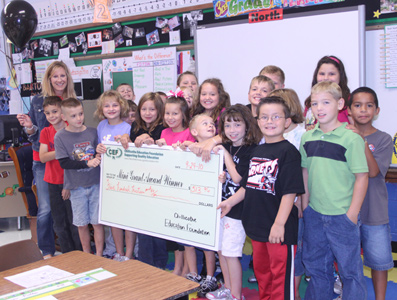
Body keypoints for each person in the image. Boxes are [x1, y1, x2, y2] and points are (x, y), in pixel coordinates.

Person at [218, 96, 304, 300]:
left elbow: (290, 192)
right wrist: (229, 202)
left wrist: (279, 224)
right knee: (264, 276)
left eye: (276, 117)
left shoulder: (289, 152)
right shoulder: (258, 150)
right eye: (264, 117)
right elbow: (249, 186)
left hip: (279, 230)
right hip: (257, 227)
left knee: (280, 280)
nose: (269, 121)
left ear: (287, 122)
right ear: (257, 122)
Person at [300, 81, 368, 300]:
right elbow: (305, 173)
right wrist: (305, 205)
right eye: (315, 103)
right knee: (317, 268)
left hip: (342, 216)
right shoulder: (307, 137)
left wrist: (352, 214)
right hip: (315, 214)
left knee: (350, 271)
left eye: (326, 102)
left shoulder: (351, 138)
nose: (319, 108)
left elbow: (362, 177)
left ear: (339, 104)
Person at [17, 61, 77, 258]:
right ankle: (47, 252)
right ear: (49, 79)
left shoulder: (73, 99)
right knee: (45, 209)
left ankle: (75, 250)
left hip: (68, 163)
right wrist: (29, 127)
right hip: (44, 161)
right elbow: (35, 136)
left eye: (63, 75)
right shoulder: (38, 101)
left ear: (67, 78)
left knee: (71, 208)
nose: (59, 79)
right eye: (55, 76)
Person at [206, 105, 261, 300]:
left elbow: (238, 178)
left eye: (237, 124)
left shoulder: (251, 150)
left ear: (247, 126)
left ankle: (236, 295)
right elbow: (227, 175)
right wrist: (221, 176)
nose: (232, 130)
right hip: (221, 207)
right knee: (221, 249)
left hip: (238, 212)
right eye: (227, 125)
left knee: (231, 253)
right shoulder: (228, 145)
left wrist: (226, 155)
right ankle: (227, 289)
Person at [347, 87, 394, 300]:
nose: (363, 110)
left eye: (369, 105)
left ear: (377, 110)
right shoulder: (343, 136)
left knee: (379, 261)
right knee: (348, 260)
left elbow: (374, 172)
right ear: (349, 110)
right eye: (357, 105)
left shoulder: (383, 139)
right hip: (347, 209)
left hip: (374, 211)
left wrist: (362, 142)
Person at [120, 92, 168, 269]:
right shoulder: (134, 127)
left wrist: (150, 141)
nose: (147, 113)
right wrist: (125, 138)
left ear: (159, 110)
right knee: (143, 227)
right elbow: (129, 144)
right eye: (144, 109)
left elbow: (164, 146)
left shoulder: (163, 127)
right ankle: (145, 263)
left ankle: (160, 264)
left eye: (152, 109)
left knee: (158, 228)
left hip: (159, 184)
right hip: (140, 184)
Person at [176, 114, 219, 297]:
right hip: (190, 201)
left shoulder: (218, 148)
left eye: (212, 123)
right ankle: (193, 275)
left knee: (207, 243)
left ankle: (210, 277)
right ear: (194, 132)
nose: (210, 125)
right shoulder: (188, 147)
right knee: (189, 242)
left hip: (209, 203)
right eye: (205, 123)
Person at [54, 98, 104, 256]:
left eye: (80, 114)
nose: (79, 118)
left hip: (95, 184)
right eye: (74, 115)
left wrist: (99, 153)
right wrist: (87, 163)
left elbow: (98, 154)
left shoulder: (92, 131)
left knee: (97, 223)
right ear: (64, 117)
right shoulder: (60, 136)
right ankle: (87, 255)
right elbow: (64, 163)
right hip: (77, 188)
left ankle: (99, 255)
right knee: (81, 224)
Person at [269, 88, 306, 299]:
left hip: (293, 199)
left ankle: (294, 290)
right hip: (274, 201)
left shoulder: (300, 135)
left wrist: (300, 200)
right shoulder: (269, 135)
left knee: (295, 247)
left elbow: (301, 171)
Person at [156, 94, 195, 276]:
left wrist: (186, 148)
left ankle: (187, 269)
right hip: (168, 188)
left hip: (184, 190)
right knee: (172, 234)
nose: (170, 117)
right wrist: (159, 147)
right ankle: (178, 266)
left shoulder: (189, 133)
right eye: (167, 113)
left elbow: (194, 158)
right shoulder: (164, 133)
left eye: (175, 114)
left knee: (184, 236)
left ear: (184, 115)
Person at [95, 90, 136, 262]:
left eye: (115, 105)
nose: (111, 108)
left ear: (122, 106)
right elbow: (99, 149)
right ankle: (118, 252)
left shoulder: (128, 128)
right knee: (114, 219)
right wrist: (98, 152)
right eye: (107, 105)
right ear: (101, 109)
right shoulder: (100, 126)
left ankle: (129, 254)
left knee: (127, 219)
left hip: (125, 179)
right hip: (107, 179)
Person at [39, 96, 81, 253]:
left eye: (55, 111)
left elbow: (76, 157)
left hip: (71, 182)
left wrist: (68, 185)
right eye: (47, 113)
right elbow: (43, 157)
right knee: (59, 223)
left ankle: (80, 255)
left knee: (75, 222)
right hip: (53, 182)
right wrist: (63, 152)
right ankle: (67, 255)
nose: (51, 116)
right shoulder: (45, 132)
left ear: (63, 113)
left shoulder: (72, 128)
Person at [304, 55, 352, 129]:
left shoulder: (349, 100)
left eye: (331, 74)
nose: (326, 78)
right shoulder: (310, 102)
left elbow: (356, 128)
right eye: (322, 74)